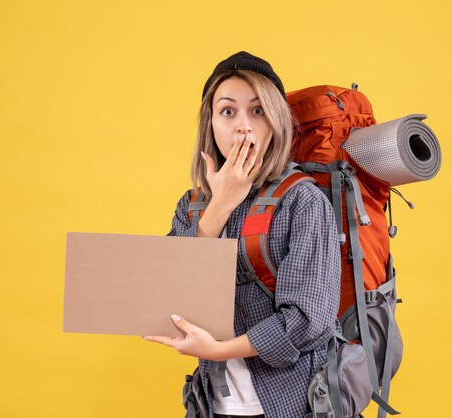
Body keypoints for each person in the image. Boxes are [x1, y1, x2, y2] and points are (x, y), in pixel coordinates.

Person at [144, 51, 341, 418]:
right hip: (212, 405)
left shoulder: (303, 201)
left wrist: (217, 350)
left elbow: (307, 319)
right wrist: (220, 205)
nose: (243, 127)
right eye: (228, 111)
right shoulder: (192, 206)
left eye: (258, 111)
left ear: (276, 122)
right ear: (211, 123)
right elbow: (166, 293)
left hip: (293, 403)